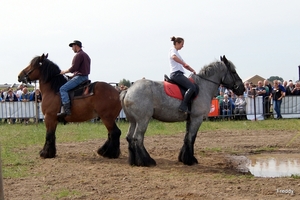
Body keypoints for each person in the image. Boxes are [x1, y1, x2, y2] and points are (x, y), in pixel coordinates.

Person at [57, 40, 91, 117]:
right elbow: (80, 69)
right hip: (84, 76)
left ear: (76, 45)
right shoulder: (86, 55)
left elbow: (74, 68)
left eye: (72, 46)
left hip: (80, 77)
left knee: (63, 89)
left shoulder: (79, 55)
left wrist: (63, 72)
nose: (72, 48)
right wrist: (72, 76)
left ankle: (66, 109)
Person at [169, 36, 196, 114]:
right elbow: (173, 57)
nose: (182, 46)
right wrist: (183, 63)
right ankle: (183, 106)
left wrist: (193, 70)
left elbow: (185, 65)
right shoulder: (173, 50)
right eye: (182, 44)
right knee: (192, 87)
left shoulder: (177, 53)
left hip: (178, 73)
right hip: (176, 74)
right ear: (177, 43)